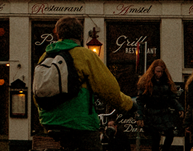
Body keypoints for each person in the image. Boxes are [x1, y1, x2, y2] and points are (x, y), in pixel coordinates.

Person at [37, 17, 134, 151]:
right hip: (80, 123)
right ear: (80, 35)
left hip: (50, 121)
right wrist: (129, 105)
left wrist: (45, 117)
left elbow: (38, 90)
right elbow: (109, 89)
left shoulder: (46, 56)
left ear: (58, 34)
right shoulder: (85, 55)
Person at [135, 59, 181, 151]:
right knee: (155, 139)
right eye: (158, 71)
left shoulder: (167, 82)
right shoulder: (146, 83)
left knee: (170, 134)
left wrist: (179, 108)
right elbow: (140, 101)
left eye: (161, 71)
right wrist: (140, 116)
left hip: (164, 112)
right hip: (151, 114)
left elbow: (172, 98)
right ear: (153, 71)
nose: (160, 74)